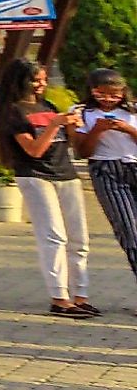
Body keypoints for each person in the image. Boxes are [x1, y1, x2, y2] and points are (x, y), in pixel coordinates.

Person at [0, 56, 93, 317]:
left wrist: (73, 127)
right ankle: (59, 298)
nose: (41, 84)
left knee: (79, 239)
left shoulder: (47, 105)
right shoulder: (13, 111)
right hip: (36, 175)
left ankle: (80, 296)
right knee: (54, 237)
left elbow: (67, 144)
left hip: (66, 174)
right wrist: (54, 124)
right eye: (35, 79)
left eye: (43, 79)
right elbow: (34, 150)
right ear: (20, 81)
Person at [71, 67, 137, 302]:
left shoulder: (133, 110)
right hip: (106, 170)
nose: (108, 100)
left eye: (115, 95)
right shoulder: (81, 112)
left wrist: (128, 128)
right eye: (102, 94)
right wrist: (97, 131)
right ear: (91, 91)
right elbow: (81, 152)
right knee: (130, 232)